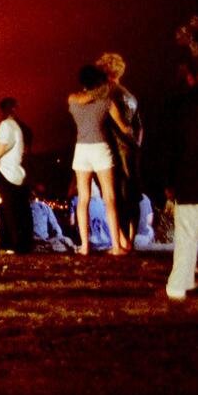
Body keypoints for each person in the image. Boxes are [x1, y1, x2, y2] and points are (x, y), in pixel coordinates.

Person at [68, 64, 132, 256]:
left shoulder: (73, 99)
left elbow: (84, 98)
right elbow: (123, 127)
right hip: (101, 149)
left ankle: (85, 247)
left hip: (81, 150)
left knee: (83, 200)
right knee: (109, 198)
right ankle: (116, 246)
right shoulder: (108, 101)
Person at [97, 53, 144, 251]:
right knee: (133, 195)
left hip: (114, 149)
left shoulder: (106, 93)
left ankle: (122, 240)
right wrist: (136, 144)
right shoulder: (130, 95)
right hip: (132, 150)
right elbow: (140, 126)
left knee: (116, 195)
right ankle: (131, 240)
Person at [164, 59, 198, 302]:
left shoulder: (180, 105)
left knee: (186, 235)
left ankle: (179, 283)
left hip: (189, 178)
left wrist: (169, 181)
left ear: (191, 77)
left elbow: (172, 147)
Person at [0, 97, 35, 254]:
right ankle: (24, 243)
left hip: (6, 172)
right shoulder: (20, 128)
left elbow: (2, 146)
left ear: (3, 110)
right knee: (22, 209)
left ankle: (13, 244)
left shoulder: (6, 125)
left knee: (10, 210)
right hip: (19, 173)